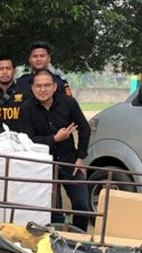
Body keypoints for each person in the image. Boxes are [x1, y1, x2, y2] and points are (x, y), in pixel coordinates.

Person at [19, 69, 91, 230]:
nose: (42, 90)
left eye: (46, 85)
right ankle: (56, 243)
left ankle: (79, 240)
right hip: (44, 167)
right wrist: (54, 139)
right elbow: (27, 140)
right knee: (53, 210)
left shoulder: (68, 103)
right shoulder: (26, 108)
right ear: (32, 88)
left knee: (82, 204)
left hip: (70, 162)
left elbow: (85, 128)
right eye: (38, 86)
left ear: (54, 87)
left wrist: (81, 157)